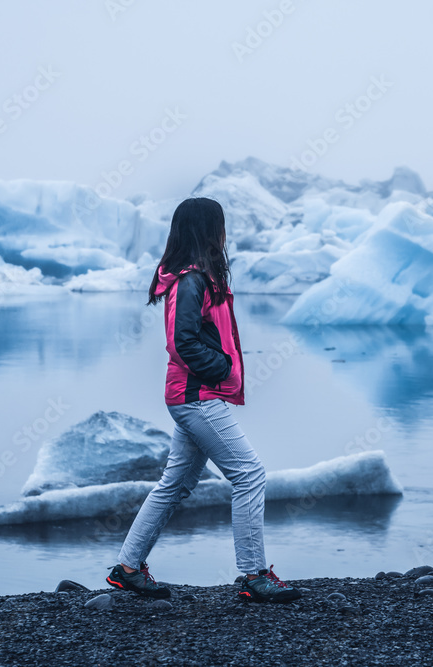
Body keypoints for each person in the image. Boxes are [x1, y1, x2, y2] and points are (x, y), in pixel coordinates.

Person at [105, 197, 300, 604]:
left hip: (193, 393)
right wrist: (221, 367)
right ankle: (253, 574)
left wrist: (219, 370)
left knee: (175, 483)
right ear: (208, 231)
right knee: (249, 474)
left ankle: (127, 568)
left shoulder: (200, 277)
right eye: (220, 226)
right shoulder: (191, 280)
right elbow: (181, 342)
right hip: (196, 396)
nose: (224, 234)